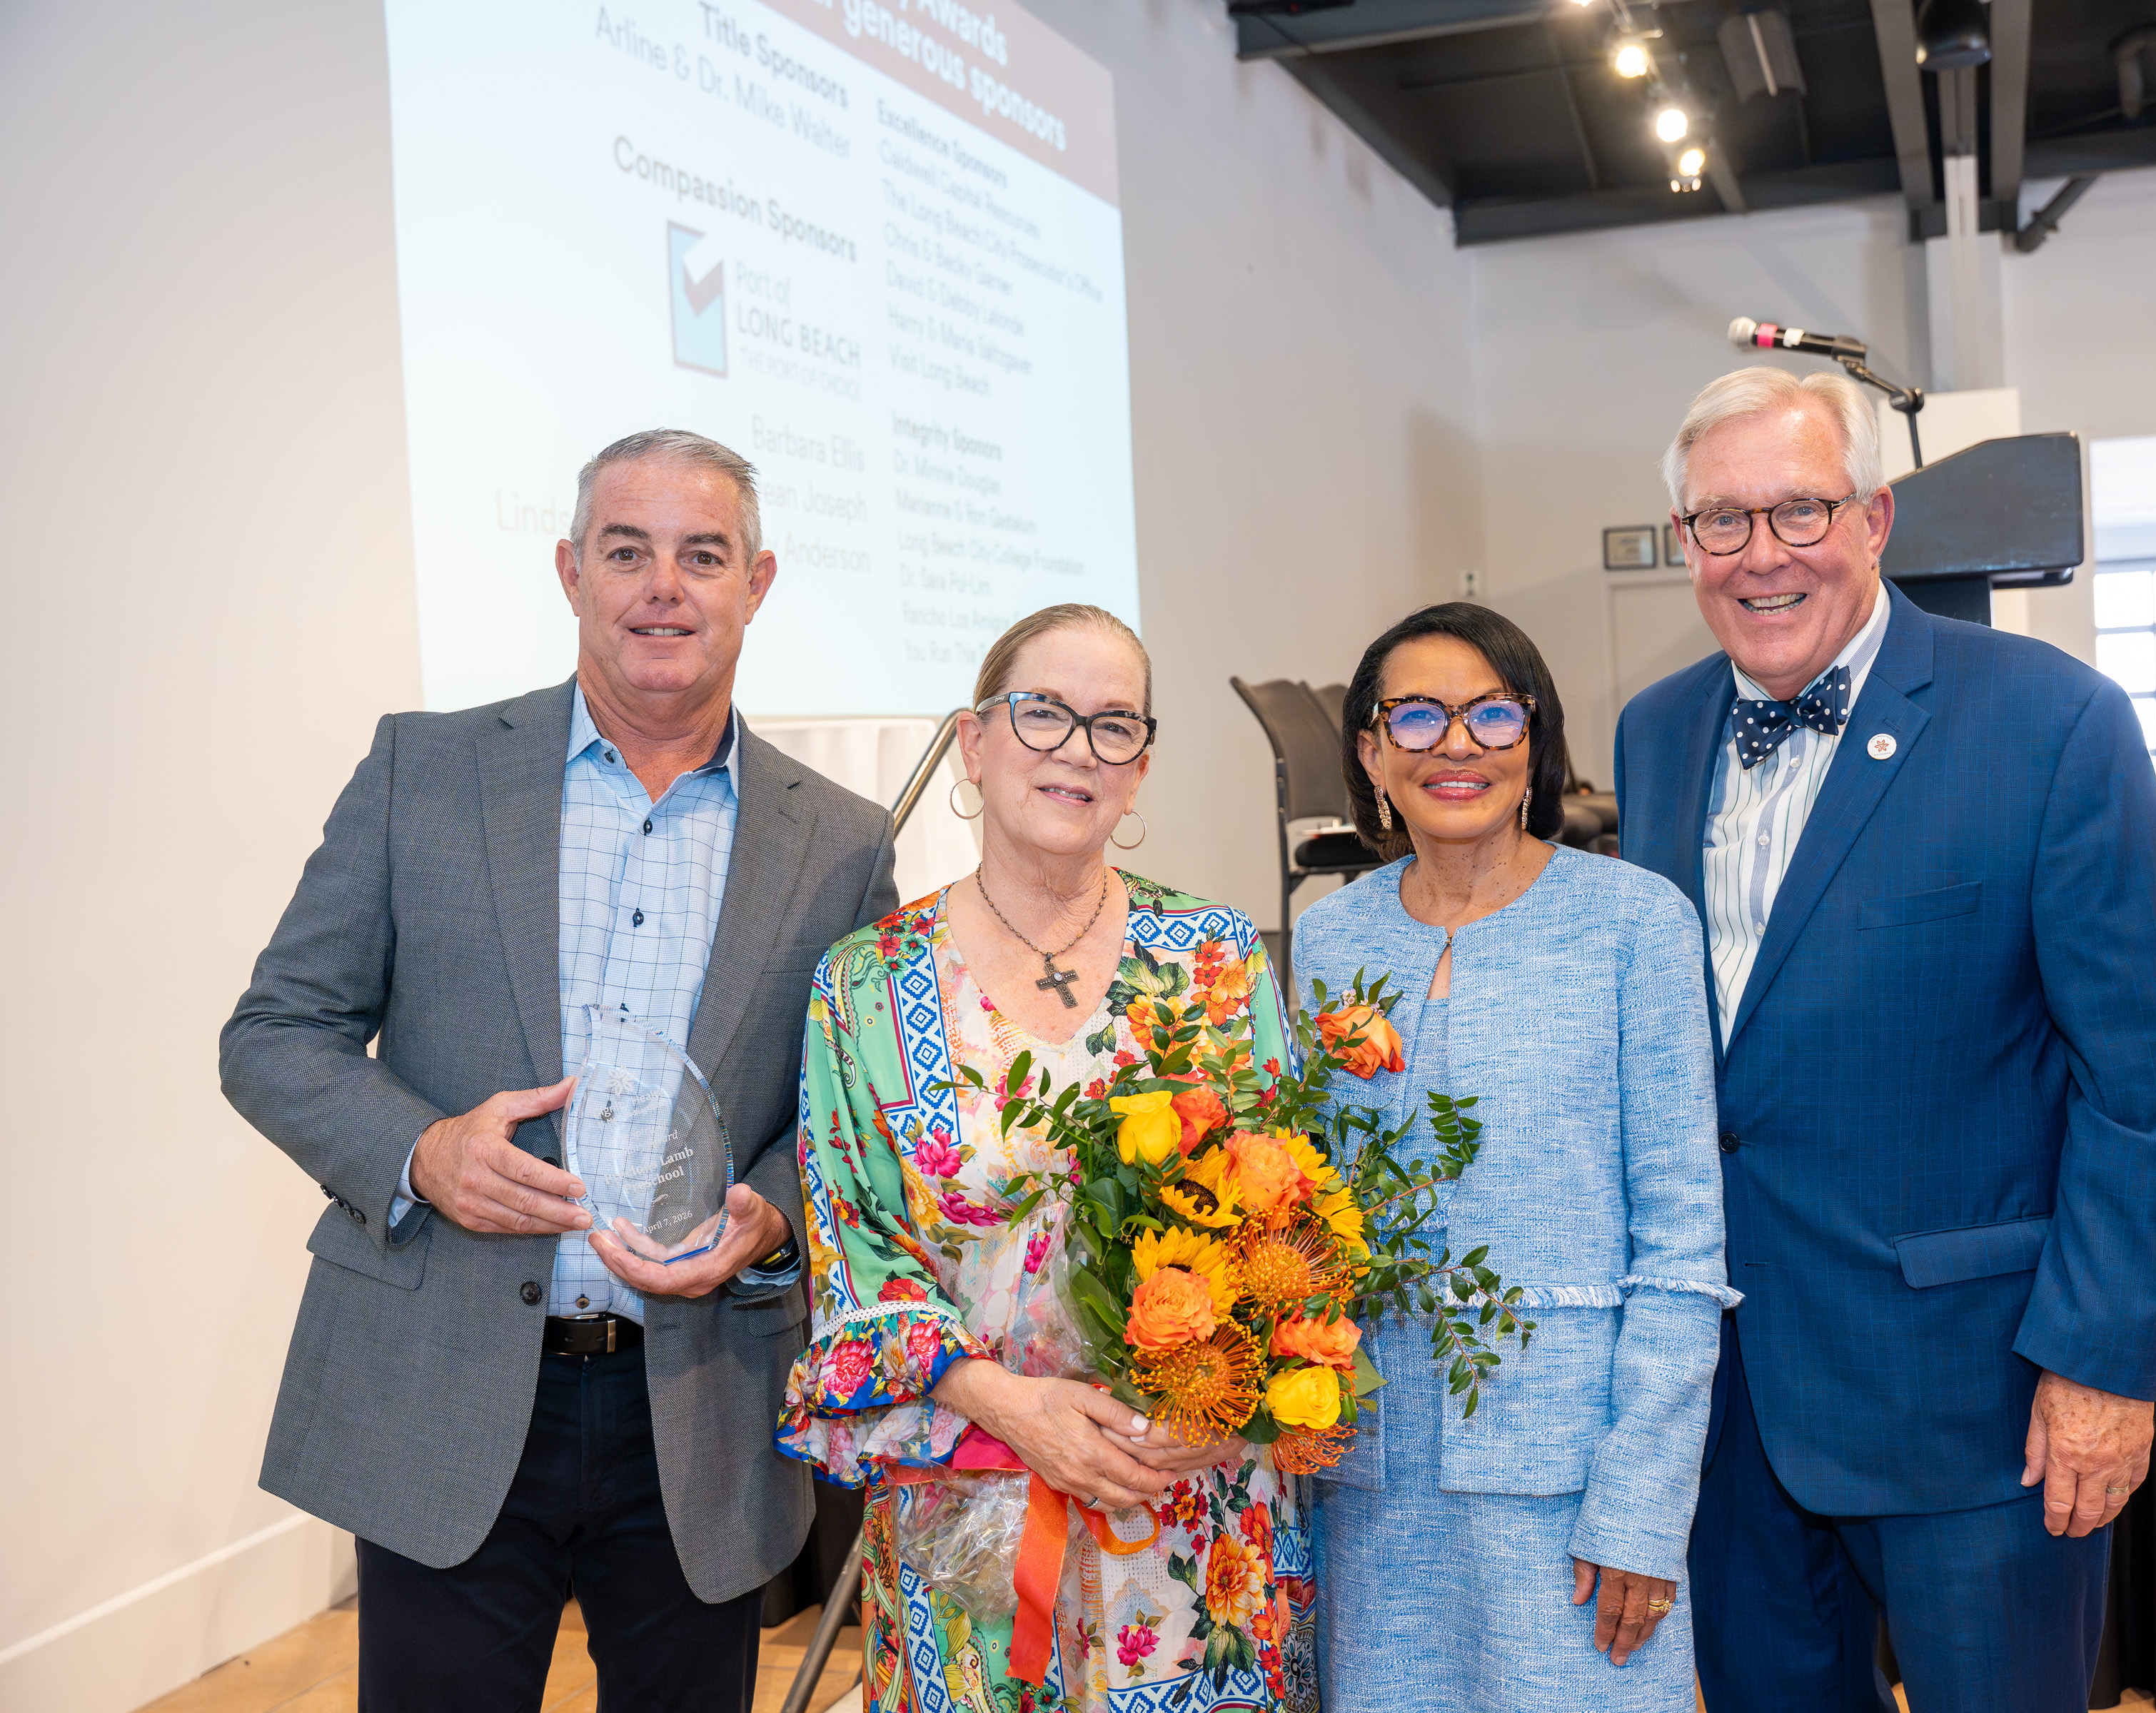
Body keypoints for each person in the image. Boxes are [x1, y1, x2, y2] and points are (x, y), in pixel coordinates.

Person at [221, 430, 900, 1711]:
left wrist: (770, 1215)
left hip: (697, 1411)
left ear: (757, 584)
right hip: (446, 1392)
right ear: (569, 571)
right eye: (626, 550)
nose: (664, 587)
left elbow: (853, 1114)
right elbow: (274, 1033)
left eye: (703, 556)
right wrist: (422, 1153)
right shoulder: (424, 773)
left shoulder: (841, 844)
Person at [1615, 367, 2156, 1710]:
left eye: (1800, 511)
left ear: (1876, 519)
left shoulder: (2055, 723)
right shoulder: (1655, 733)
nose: (1760, 555)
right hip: (1728, 1414)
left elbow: (2145, 1091)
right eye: (1721, 522)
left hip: (1976, 1414)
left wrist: (2100, 1370)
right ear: (1686, 545)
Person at [777, 604, 1317, 1712]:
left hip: (1187, 1506)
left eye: (1113, 725)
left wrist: (1208, 1401)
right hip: (968, 1512)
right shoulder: (862, 987)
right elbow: (856, 1256)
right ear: (974, 744)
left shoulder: (1215, 960)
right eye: (1043, 715)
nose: (1078, 748)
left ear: (1141, 768)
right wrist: (1015, 1409)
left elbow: (1286, 1221)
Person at [1291, 603, 1736, 1713]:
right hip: (1366, 1476)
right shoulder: (1334, 938)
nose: (1457, 745)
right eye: (1420, 716)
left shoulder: (1636, 922)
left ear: (1535, 741)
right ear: (1369, 750)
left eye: (1493, 713)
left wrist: (1641, 1503)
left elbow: (1682, 1236)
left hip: (1572, 1483)